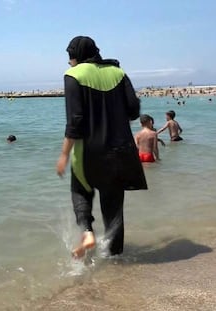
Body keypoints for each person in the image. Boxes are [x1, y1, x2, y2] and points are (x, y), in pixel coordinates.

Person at [56, 36, 147, 259]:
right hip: (120, 151)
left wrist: (64, 154)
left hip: (88, 152)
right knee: (114, 209)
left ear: (74, 56)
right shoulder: (118, 72)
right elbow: (134, 111)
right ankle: (116, 260)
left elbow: (75, 121)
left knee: (80, 190)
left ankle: (87, 232)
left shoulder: (73, 75)